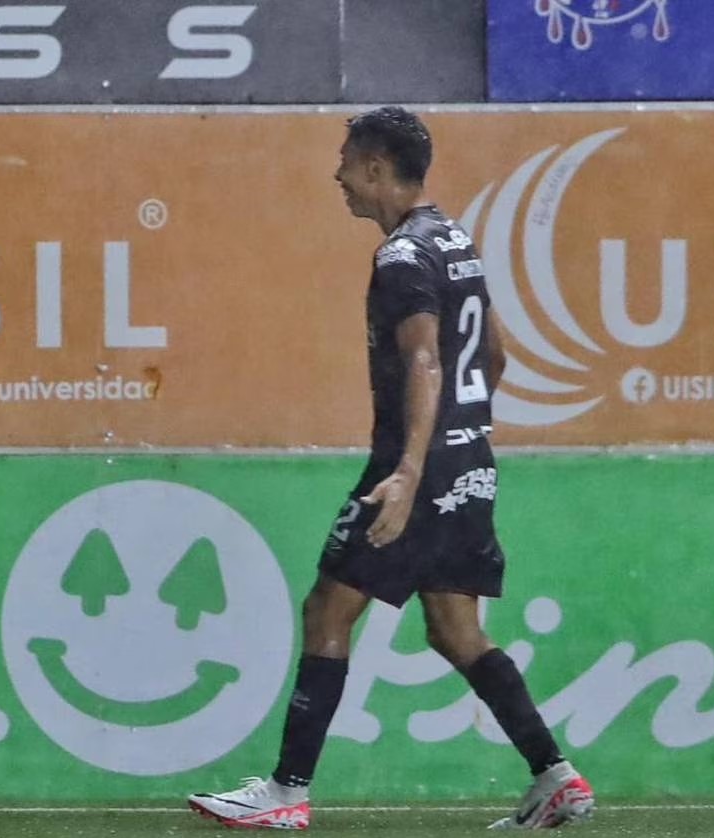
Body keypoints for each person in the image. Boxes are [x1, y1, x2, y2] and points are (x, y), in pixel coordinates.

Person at [186, 107, 595, 831]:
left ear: (376, 168)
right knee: (455, 629)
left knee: (327, 609)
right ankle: (554, 776)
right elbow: (494, 356)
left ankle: (285, 792)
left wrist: (411, 470)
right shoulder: (456, 239)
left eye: (346, 162)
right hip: (469, 461)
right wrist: (463, 438)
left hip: (417, 468)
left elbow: (424, 358)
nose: (337, 176)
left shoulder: (403, 256)